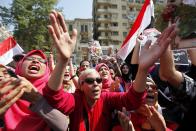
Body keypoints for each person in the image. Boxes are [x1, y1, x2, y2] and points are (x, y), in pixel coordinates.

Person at [42, 10, 177, 131]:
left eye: (98, 80)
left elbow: (132, 100)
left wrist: (143, 69)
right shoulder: (75, 100)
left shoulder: (106, 98)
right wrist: (63, 61)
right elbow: (54, 97)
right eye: (89, 81)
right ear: (81, 86)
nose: (96, 83)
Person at [0, 64, 68, 131]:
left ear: (47, 70)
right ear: (19, 66)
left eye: (41, 60)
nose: (35, 61)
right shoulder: (4, 92)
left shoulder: (54, 94)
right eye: (30, 58)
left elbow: (64, 126)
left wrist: (38, 100)